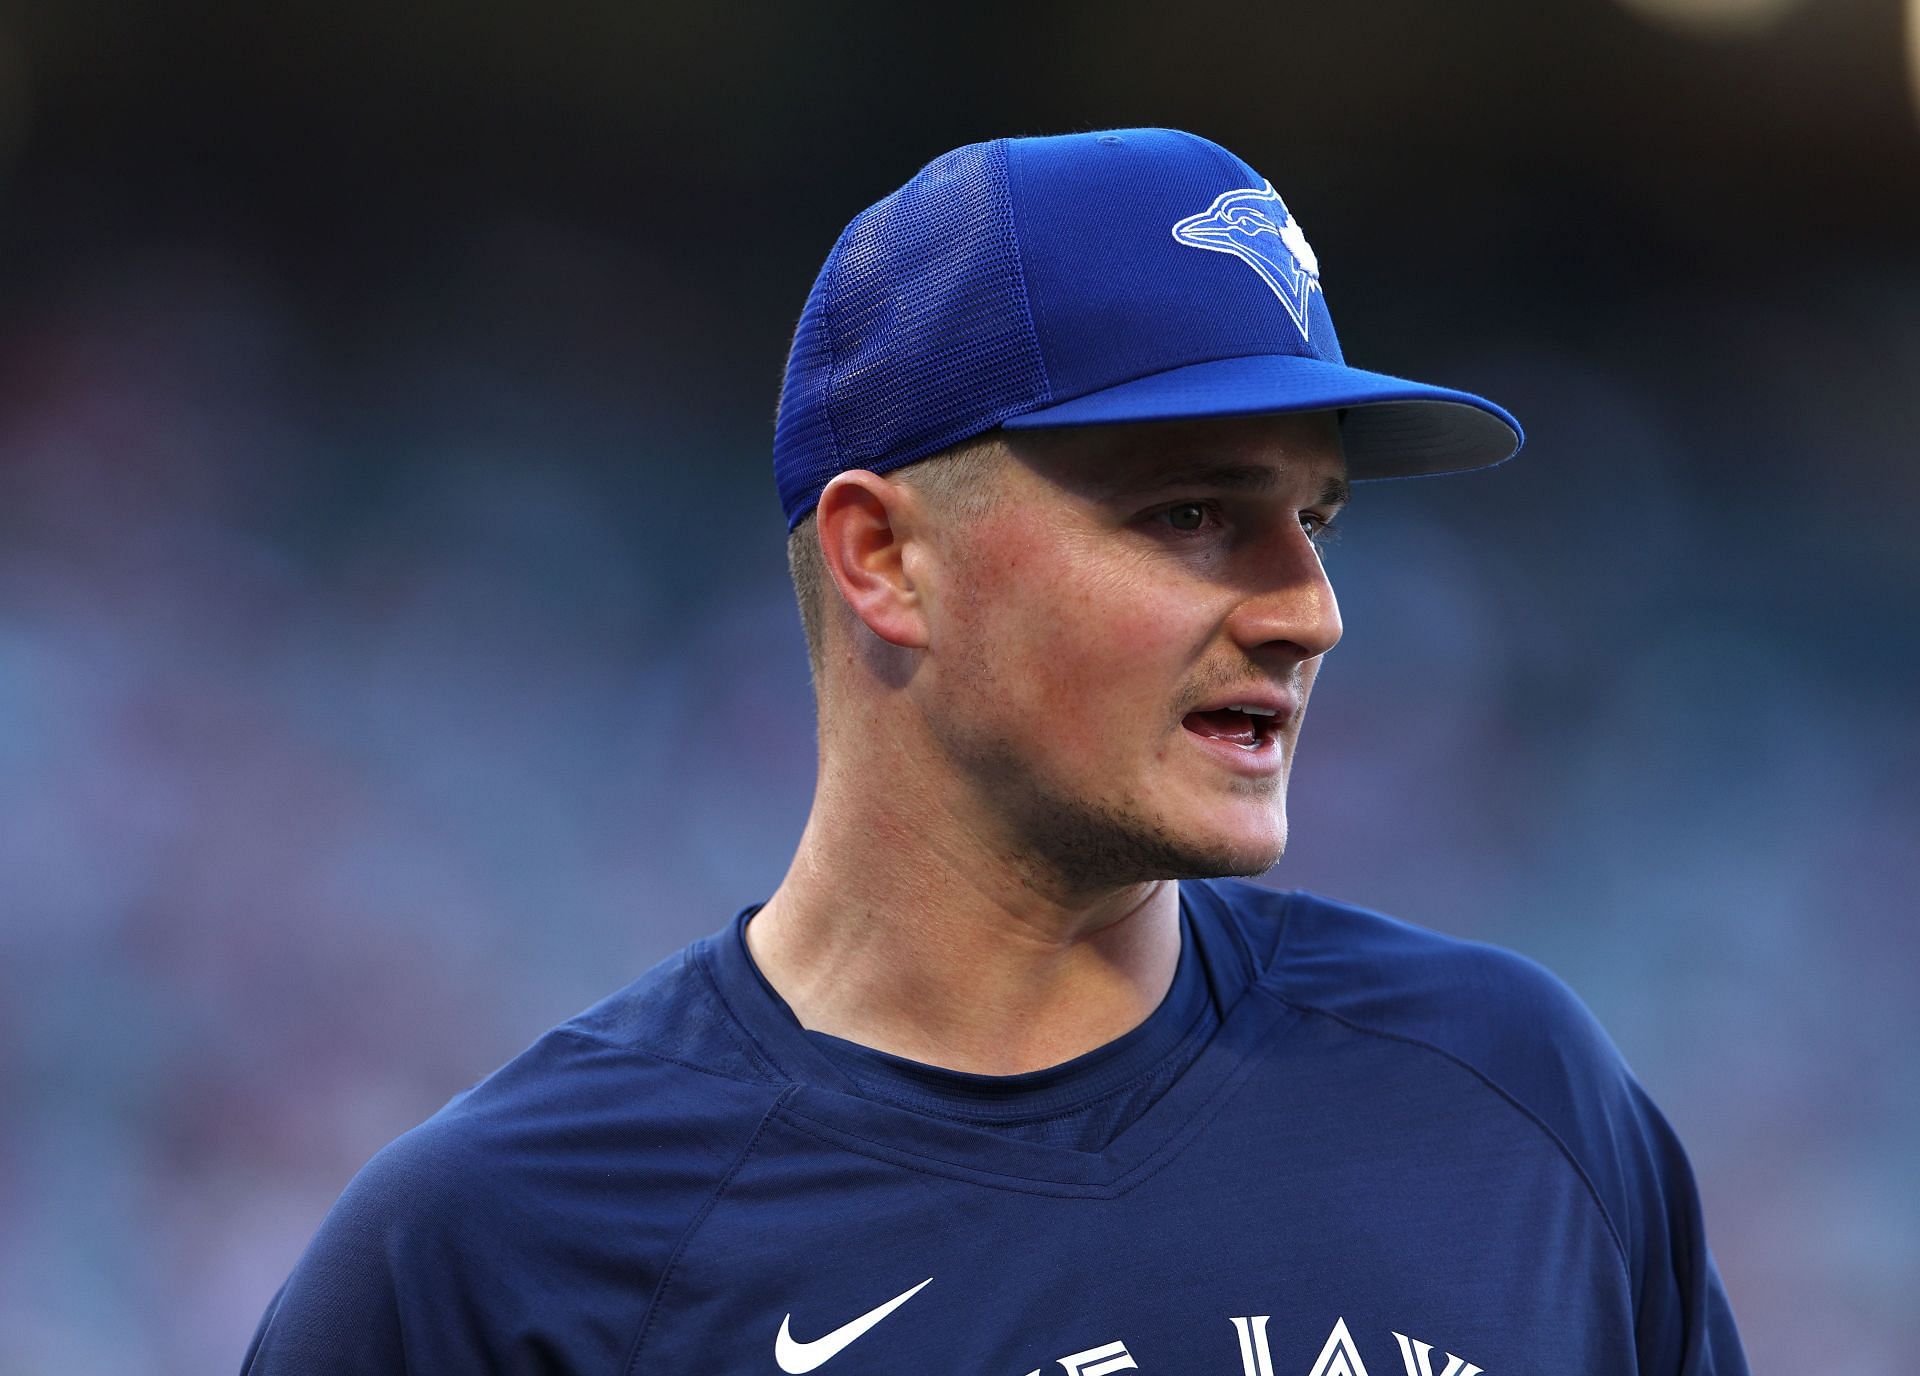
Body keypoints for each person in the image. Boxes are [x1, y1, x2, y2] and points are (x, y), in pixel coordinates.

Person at [243, 128, 1747, 1375]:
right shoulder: (494, 1258)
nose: (1311, 611)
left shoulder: (1516, 1097)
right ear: (885, 559)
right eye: (1193, 513)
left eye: (1319, 520)